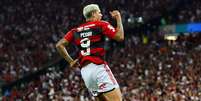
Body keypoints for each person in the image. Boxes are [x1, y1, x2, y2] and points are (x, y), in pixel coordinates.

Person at [56, 4, 124, 101]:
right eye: (99, 12)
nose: (101, 15)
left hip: (85, 72)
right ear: (93, 14)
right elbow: (120, 36)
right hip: (98, 68)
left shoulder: (75, 30)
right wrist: (118, 18)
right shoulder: (100, 24)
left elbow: (59, 45)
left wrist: (70, 61)